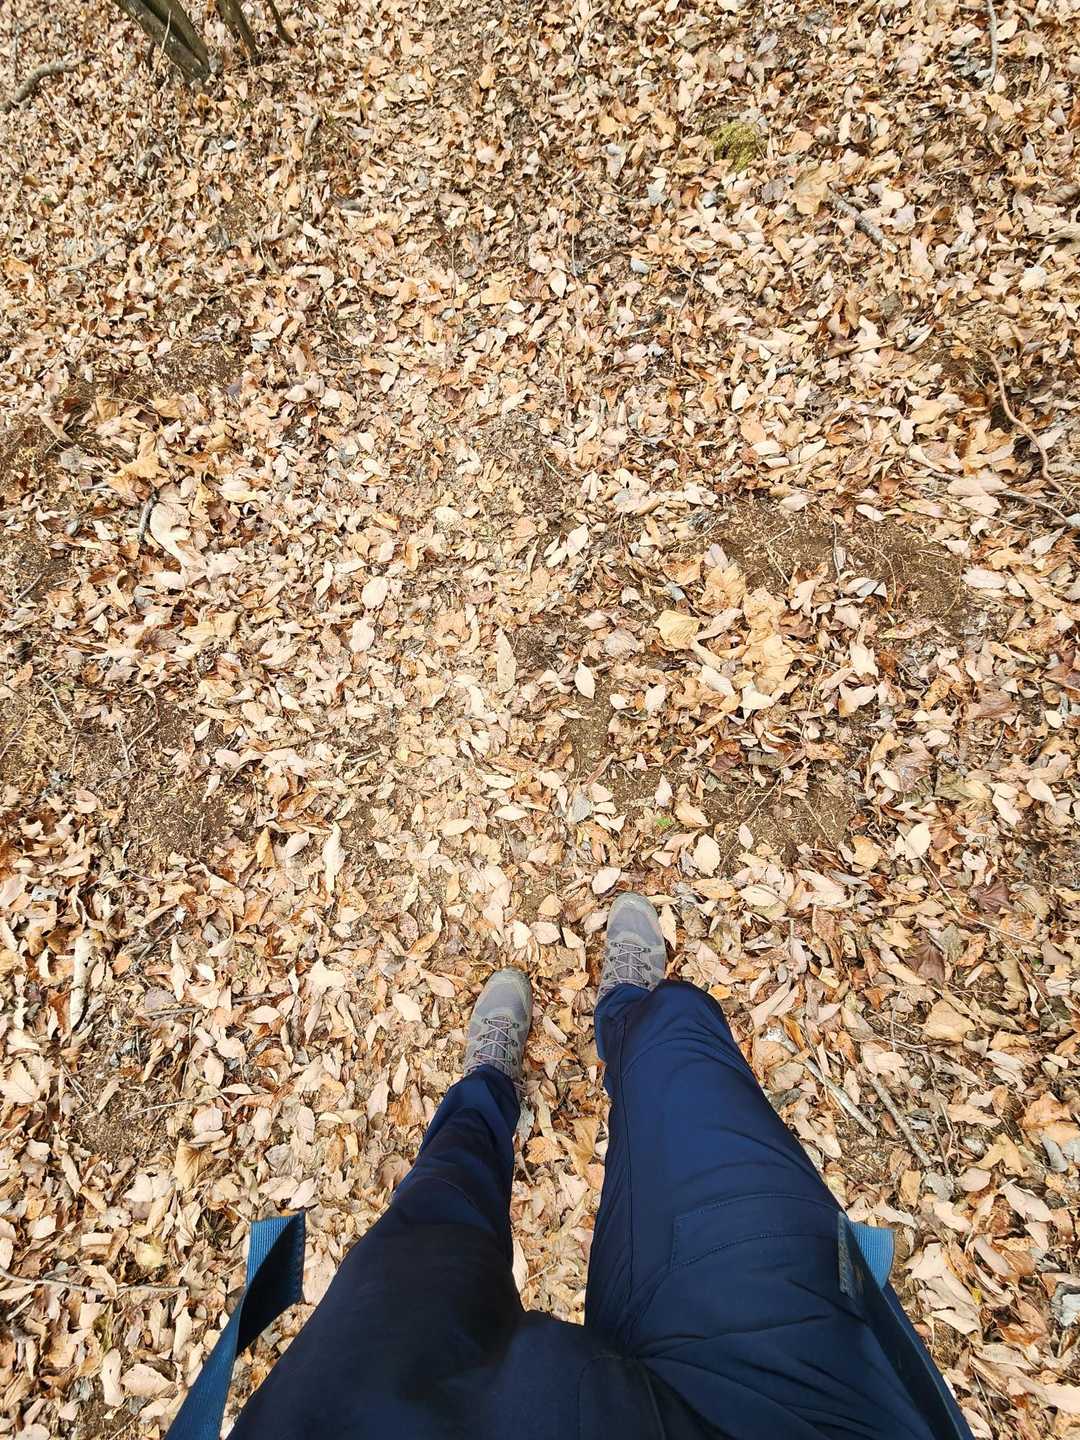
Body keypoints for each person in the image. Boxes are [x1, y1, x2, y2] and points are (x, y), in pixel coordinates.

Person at [227, 893, 971, 1440]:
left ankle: (500, 1082)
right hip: (810, 1413)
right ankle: (630, 1014)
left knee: (438, 1203)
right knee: (683, 1040)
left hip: (351, 1413)